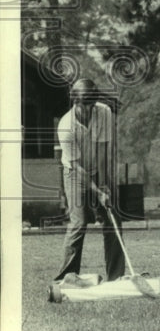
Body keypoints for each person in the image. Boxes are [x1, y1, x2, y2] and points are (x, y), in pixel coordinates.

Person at [53, 78, 125, 282]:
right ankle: (65, 278)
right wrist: (97, 190)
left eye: (91, 105)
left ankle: (116, 277)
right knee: (79, 222)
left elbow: (103, 153)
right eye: (84, 106)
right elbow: (77, 166)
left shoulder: (104, 112)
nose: (88, 111)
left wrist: (105, 186)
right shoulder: (66, 127)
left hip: (98, 169)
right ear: (74, 102)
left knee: (113, 219)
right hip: (74, 172)